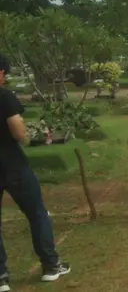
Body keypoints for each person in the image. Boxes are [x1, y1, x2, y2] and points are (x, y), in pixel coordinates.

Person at [0, 52, 71, 290]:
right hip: (13, 166)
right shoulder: (4, 96)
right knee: (37, 213)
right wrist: (31, 135)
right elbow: (19, 134)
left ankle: (1, 277)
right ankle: (51, 265)